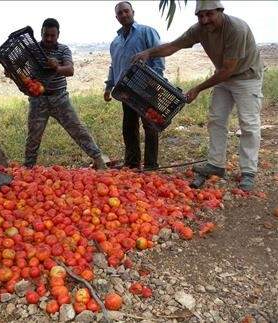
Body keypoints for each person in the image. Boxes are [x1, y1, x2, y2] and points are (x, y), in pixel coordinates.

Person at [134, 0, 263, 191]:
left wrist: (197, 88)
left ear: (220, 11)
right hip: (223, 77)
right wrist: (148, 53)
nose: (205, 19)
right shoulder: (199, 29)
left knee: (249, 125)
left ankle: (248, 172)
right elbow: (173, 46)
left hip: (246, 77)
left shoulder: (236, 29)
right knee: (216, 119)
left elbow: (228, 69)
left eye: (209, 14)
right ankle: (216, 164)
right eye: (200, 16)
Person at [18, 18, 106, 169]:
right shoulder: (32, 49)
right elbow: (17, 64)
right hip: (38, 99)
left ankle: (98, 160)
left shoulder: (63, 50)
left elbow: (70, 70)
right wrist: (11, 71)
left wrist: (57, 67)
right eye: (46, 35)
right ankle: (28, 168)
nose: (49, 39)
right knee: (34, 135)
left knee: (77, 129)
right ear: (41, 33)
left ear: (58, 34)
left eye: (53, 35)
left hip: (59, 98)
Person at [104, 1, 165, 170]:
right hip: (126, 91)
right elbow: (113, 65)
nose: (124, 15)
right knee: (129, 127)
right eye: (120, 13)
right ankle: (132, 164)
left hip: (147, 87)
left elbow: (158, 56)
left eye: (126, 11)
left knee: (150, 126)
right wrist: (109, 86)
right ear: (117, 18)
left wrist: (157, 80)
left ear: (132, 12)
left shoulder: (146, 32)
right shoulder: (115, 42)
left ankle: (151, 165)